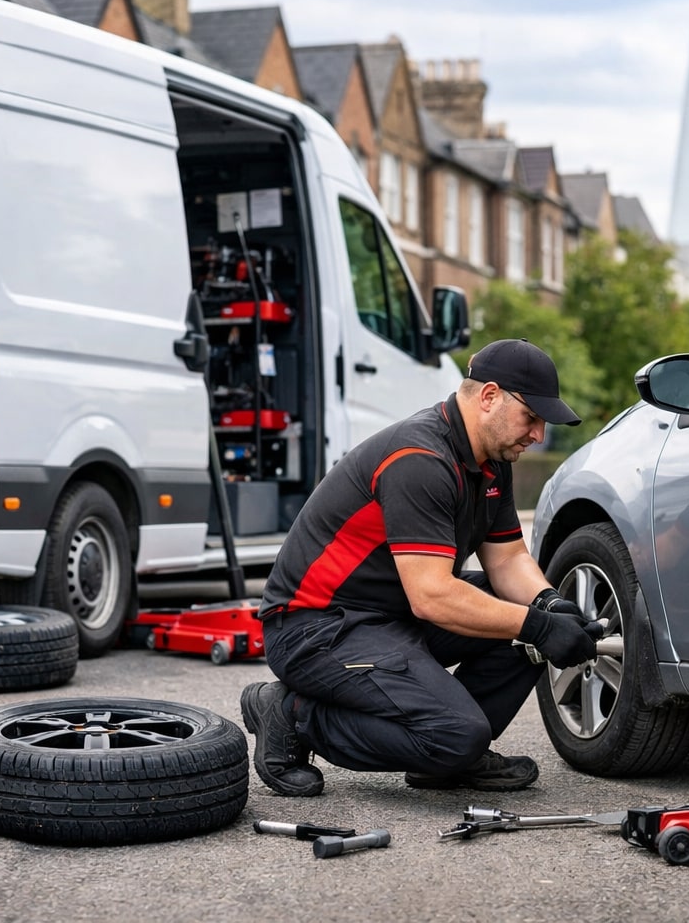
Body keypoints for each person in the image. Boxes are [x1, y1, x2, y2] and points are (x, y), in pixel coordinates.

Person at [241, 338, 600, 797]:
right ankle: (292, 714)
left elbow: (508, 558)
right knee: (465, 722)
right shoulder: (420, 459)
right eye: (532, 418)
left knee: (521, 621)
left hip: (391, 613)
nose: (538, 436)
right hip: (317, 626)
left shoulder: (490, 460)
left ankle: (448, 760)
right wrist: (537, 625)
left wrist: (548, 604)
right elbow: (431, 595)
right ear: (489, 397)